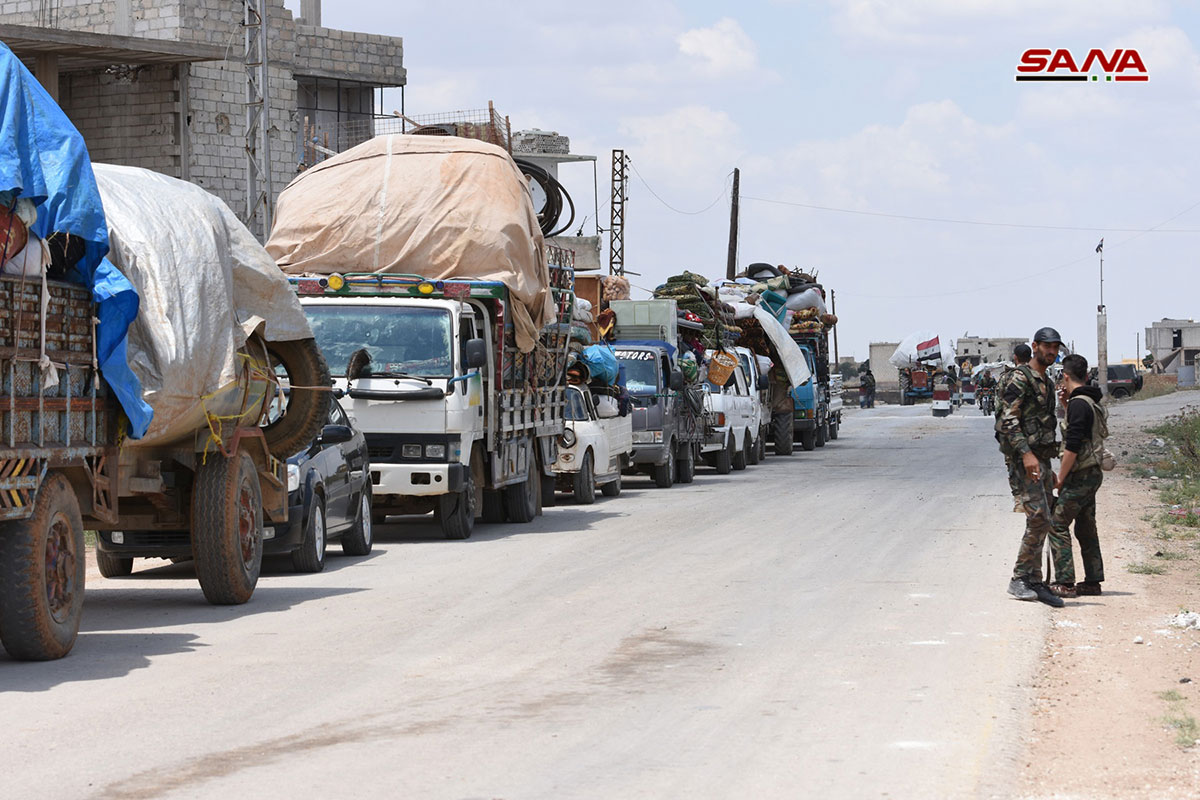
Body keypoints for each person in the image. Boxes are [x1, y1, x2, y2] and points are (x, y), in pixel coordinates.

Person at [1000, 328, 1066, 608]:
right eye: (1046, 347)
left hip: (1041, 458)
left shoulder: (1047, 381)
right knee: (1039, 516)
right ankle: (1020, 578)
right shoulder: (1019, 378)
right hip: (1023, 459)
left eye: (1055, 348)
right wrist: (1026, 455)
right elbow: (1008, 419)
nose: (1051, 352)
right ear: (1035, 346)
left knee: (1045, 516)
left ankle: (1035, 580)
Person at [1047, 354, 1107, 598]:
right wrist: (1065, 407)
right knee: (1085, 527)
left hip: (1080, 475)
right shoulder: (1087, 401)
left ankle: (1065, 582)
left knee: (1057, 524)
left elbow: (1072, 446)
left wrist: (1060, 478)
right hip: (1091, 473)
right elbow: (1082, 431)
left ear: (1065, 376)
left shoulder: (1080, 404)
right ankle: (1092, 581)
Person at [995, 344, 1033, 511]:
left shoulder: (1006, 378)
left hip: (1011, 428)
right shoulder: (1037, 376)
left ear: (1015, 357)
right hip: (1033, 430)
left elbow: (998, 407)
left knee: (1012, 462)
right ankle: (1031, 497)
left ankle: (1018, 500)